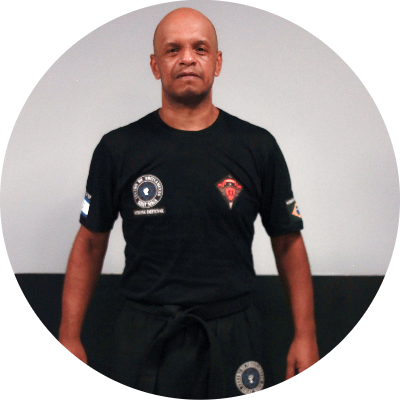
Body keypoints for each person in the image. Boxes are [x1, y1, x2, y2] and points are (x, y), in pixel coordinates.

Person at [58, 7, 319, 398]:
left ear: (217, 62)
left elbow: (287, 242)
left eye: (200, 48)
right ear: (155, 65)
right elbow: (90, 244)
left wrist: (306, 335)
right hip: (145, 335)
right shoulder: (118, 148)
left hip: (233, 334)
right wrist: (68, 336)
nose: (186, 58)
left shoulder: (257, 147)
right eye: (172, 49)